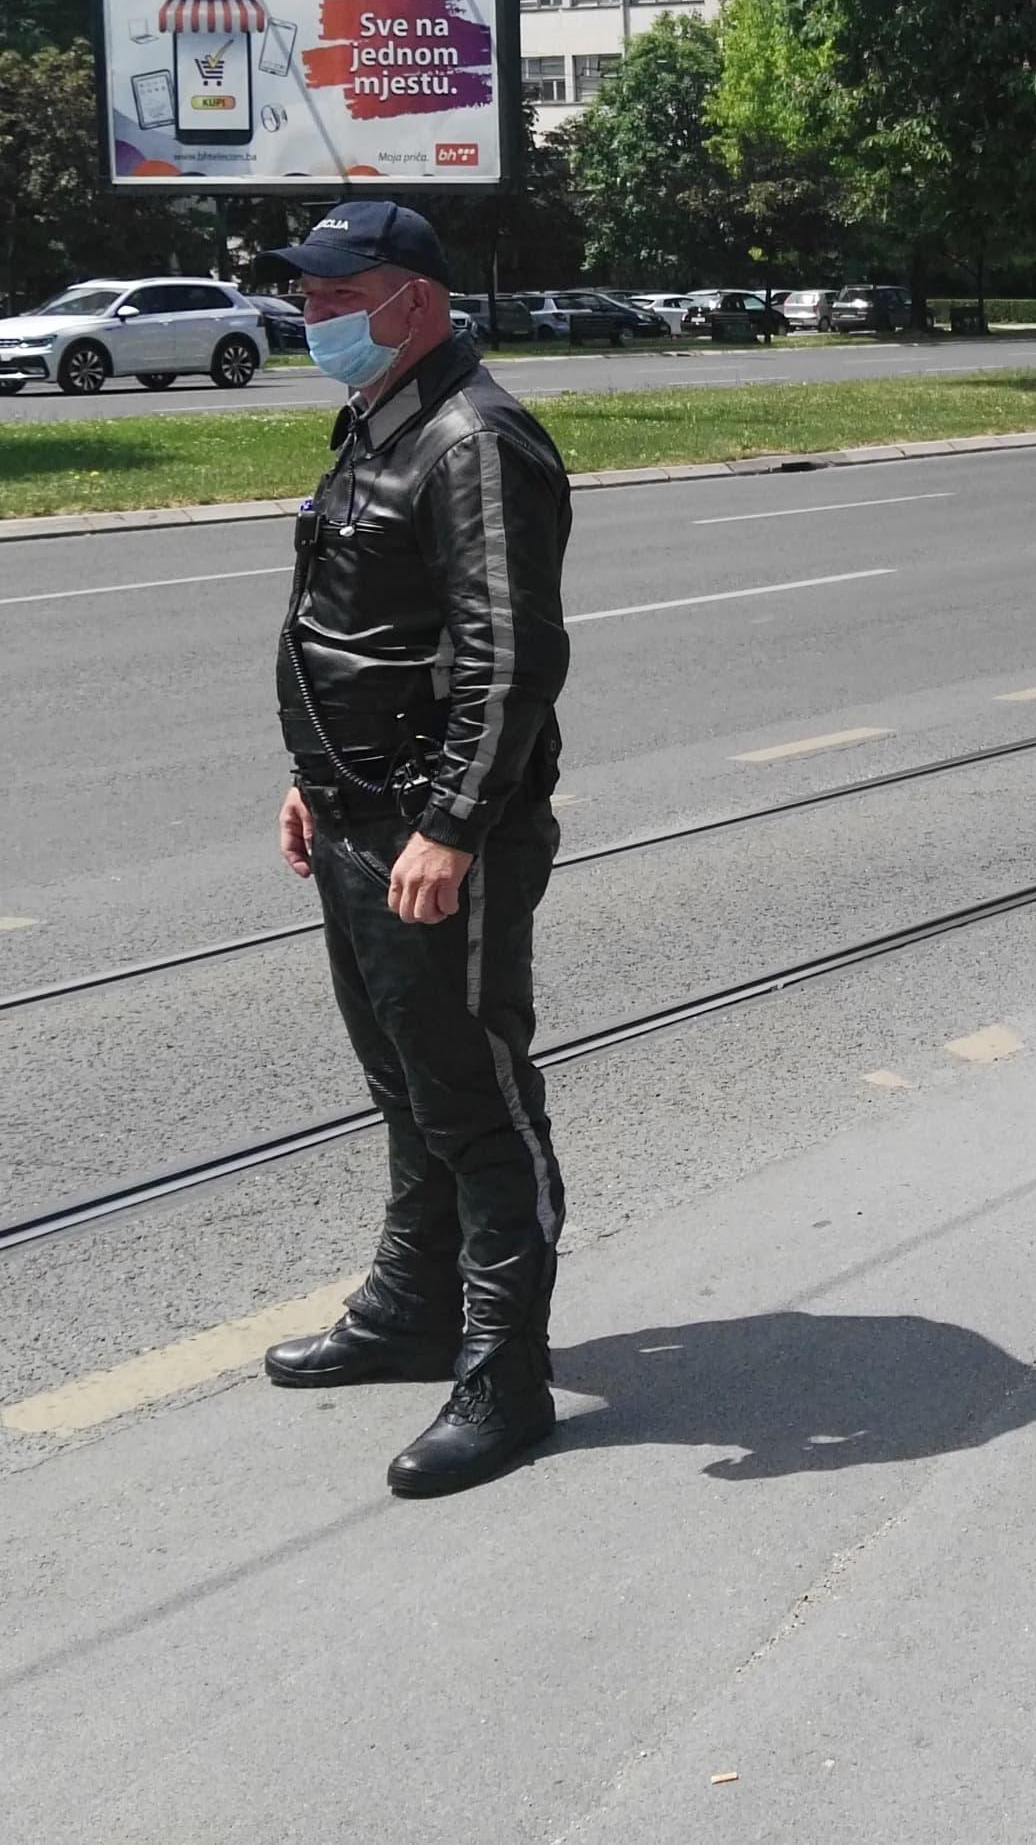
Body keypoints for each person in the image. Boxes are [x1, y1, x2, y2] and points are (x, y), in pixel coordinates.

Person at [254, 201, 577, 1496]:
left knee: (476, 1092)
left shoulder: (475, 440)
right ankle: (411, 1304)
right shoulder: (377, 422)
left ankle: (508, 1368)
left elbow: (513, 658)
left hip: (440, 829)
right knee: (403, 1077)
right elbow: (353, 627)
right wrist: (309, 780)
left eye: (341, 295)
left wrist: (451, 820)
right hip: (352, 813)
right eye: (310, 297)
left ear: (418, 302)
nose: (316, 316)